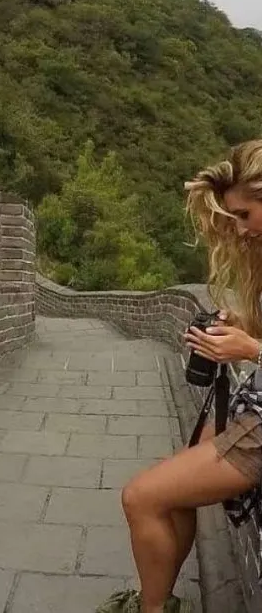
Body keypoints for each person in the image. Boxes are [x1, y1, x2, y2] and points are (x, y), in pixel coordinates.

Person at [97, 139, 262, 613]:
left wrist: (251, 349)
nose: (240, 230)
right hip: (250, 405)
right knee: (170, 492)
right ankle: (160, 600)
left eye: (245, 215)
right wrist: (242, 324)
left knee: (141, 498)